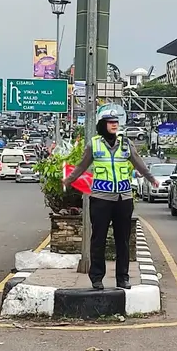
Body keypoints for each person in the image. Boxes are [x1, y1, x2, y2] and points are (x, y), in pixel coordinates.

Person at [63, 110, 158, 290]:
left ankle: (123, 278)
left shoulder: (126, 143)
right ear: (103, 125)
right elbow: (82, 166)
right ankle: (97, 278)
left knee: (122, 239)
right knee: (98, 239)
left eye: (116, 122)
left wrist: (151, 178)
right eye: (110, 122)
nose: (114, 125)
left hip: (124, 198)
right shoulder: (95, 145)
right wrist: (69, 180)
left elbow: (139, 163)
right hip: (100, 198)